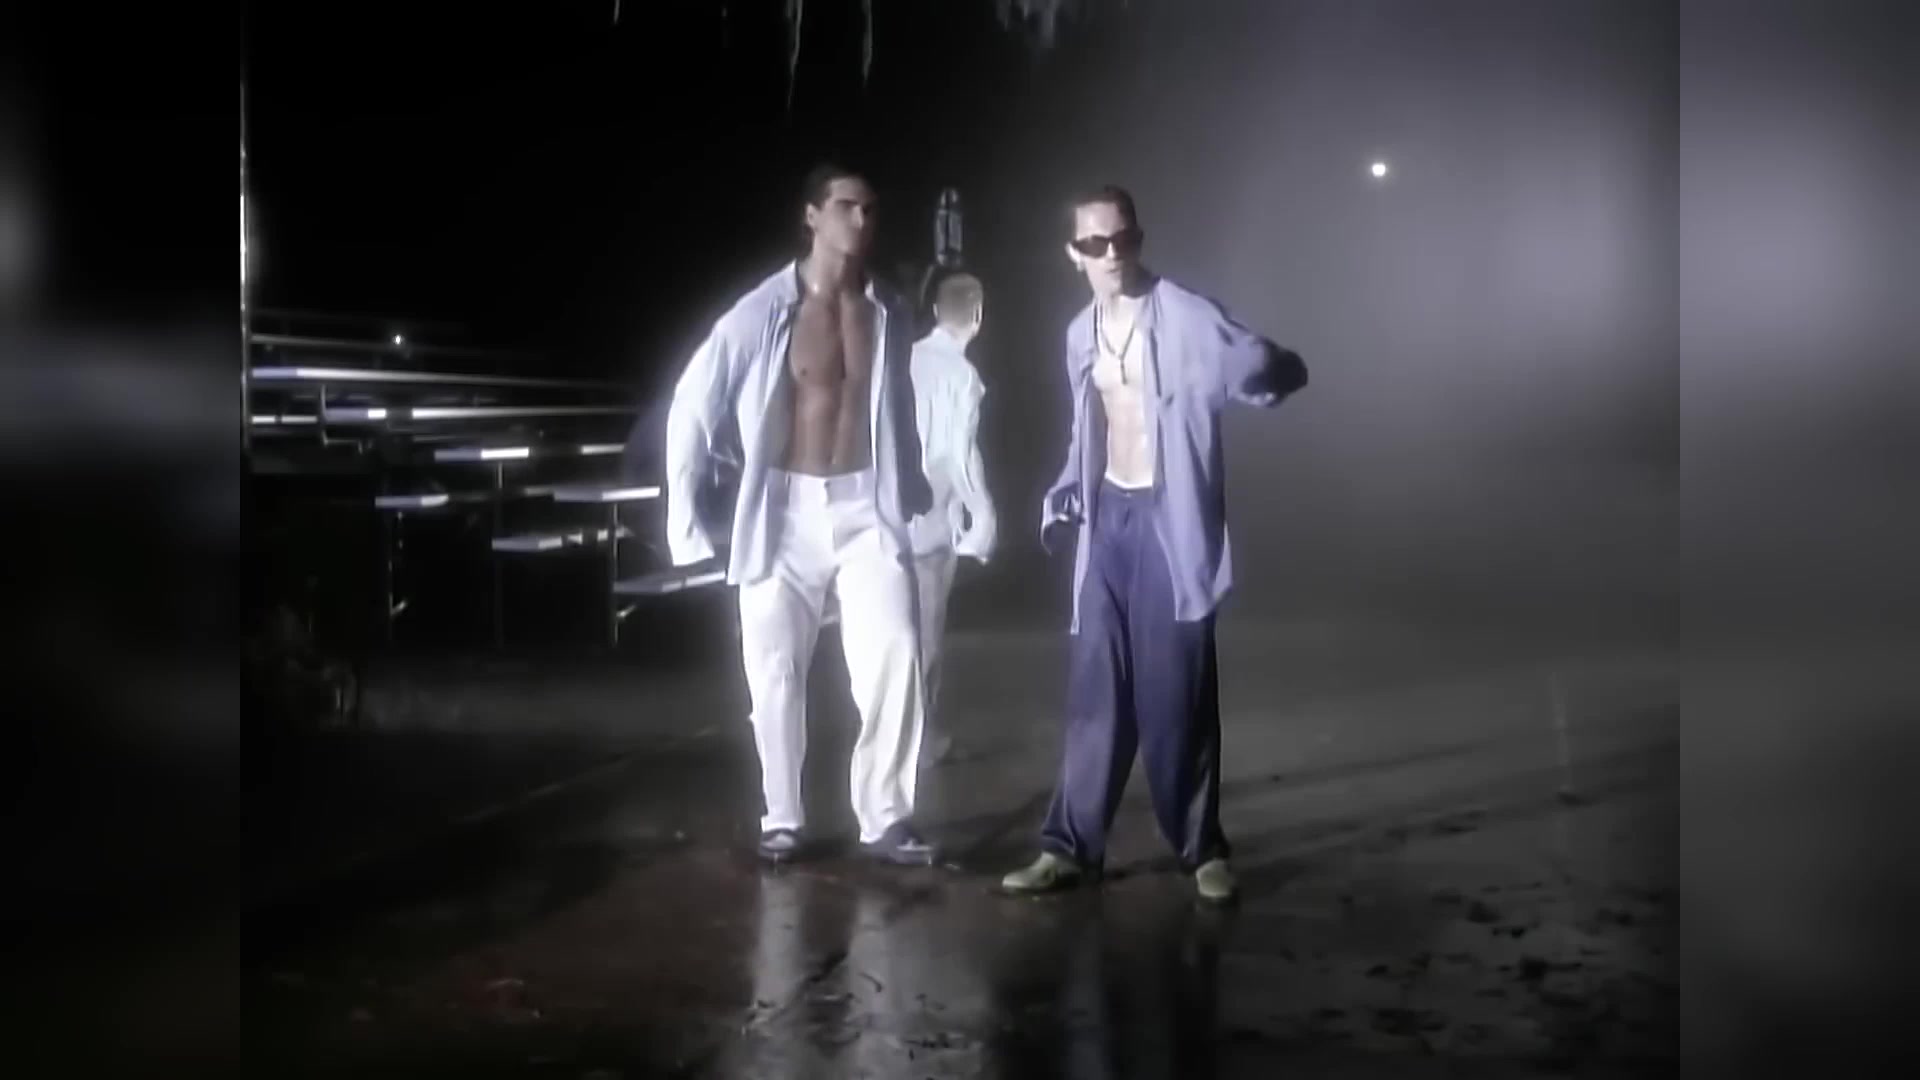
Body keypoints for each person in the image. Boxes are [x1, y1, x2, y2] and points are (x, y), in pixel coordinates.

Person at [1001, 184, 1309, 903]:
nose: (1112, 254)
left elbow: (1252, 362)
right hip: (1108, 518)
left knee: (1177, 692)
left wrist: (1278, 368)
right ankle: (1070, 846)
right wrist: (1068, 489)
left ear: (1138, 238)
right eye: (1095, 243)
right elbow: (1088, 425)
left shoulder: (1185, 316)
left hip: (1171, 523)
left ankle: (1203, 849)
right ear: (1073, 254)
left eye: (1124, 239)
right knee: (1096, 689)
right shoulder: (1079, 333)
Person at [663, 163, 937, 866]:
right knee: (775, 671)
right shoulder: (762, 311)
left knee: (898, 653)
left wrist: (910, 479)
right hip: (784, 512)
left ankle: (886, 815)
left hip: (866, 504)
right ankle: (782, 816)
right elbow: (694, 403)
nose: (861, 220)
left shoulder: (888, 308)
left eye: (870, 209)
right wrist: (687, 519)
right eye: (846, 206)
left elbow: (895, 399)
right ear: (811, 216)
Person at [907, 271, 998, 765]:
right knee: (925, 639)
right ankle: (919, 743)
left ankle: (898, 740)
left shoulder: (903, 361)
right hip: (933, 524)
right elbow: (958, 455)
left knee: (895, 638)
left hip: (892, 520)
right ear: (977, 316)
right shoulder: (962, 375)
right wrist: (982, 515)